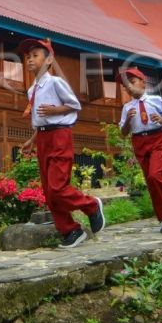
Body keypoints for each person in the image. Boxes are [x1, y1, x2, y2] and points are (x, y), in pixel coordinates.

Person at [19, 38, 105, 248]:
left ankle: (91, 205)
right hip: (43, 138)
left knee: (58, 187)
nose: (30, 59)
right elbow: (39, 120)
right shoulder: (32, 90)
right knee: (49, 192)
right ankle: (71, 230)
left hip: (59, 135)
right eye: (28, 56)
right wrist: (32, 140)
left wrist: (55, 110)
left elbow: (74, 105)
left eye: (35, 55)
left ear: (49, 60)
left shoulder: (56, 82)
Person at [116, 67, 162, 233]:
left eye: (132, 82)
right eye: (126, 85)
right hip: (139, 141)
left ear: (143, 83)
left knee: (155, 175)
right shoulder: (127, 108)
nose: (129, 87)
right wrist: (128, 120)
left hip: (156, 139)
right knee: (150, 181)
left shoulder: (156, 100)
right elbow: (123, 133)